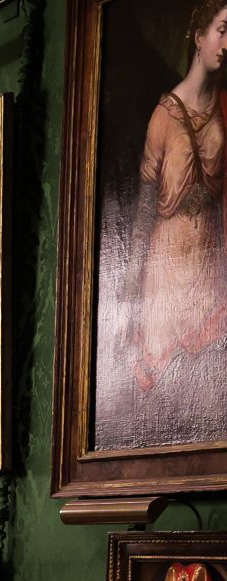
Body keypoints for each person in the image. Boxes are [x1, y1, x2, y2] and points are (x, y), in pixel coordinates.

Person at [122, 1, 227, 395]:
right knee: (169, 382)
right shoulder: (162, 116)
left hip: (209, 258)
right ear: (198, 38)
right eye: (222, 30)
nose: (226, 44)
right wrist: (130, 284)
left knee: (206, 379)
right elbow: (146, 203)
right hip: (167, 260)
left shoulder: (223, 107)